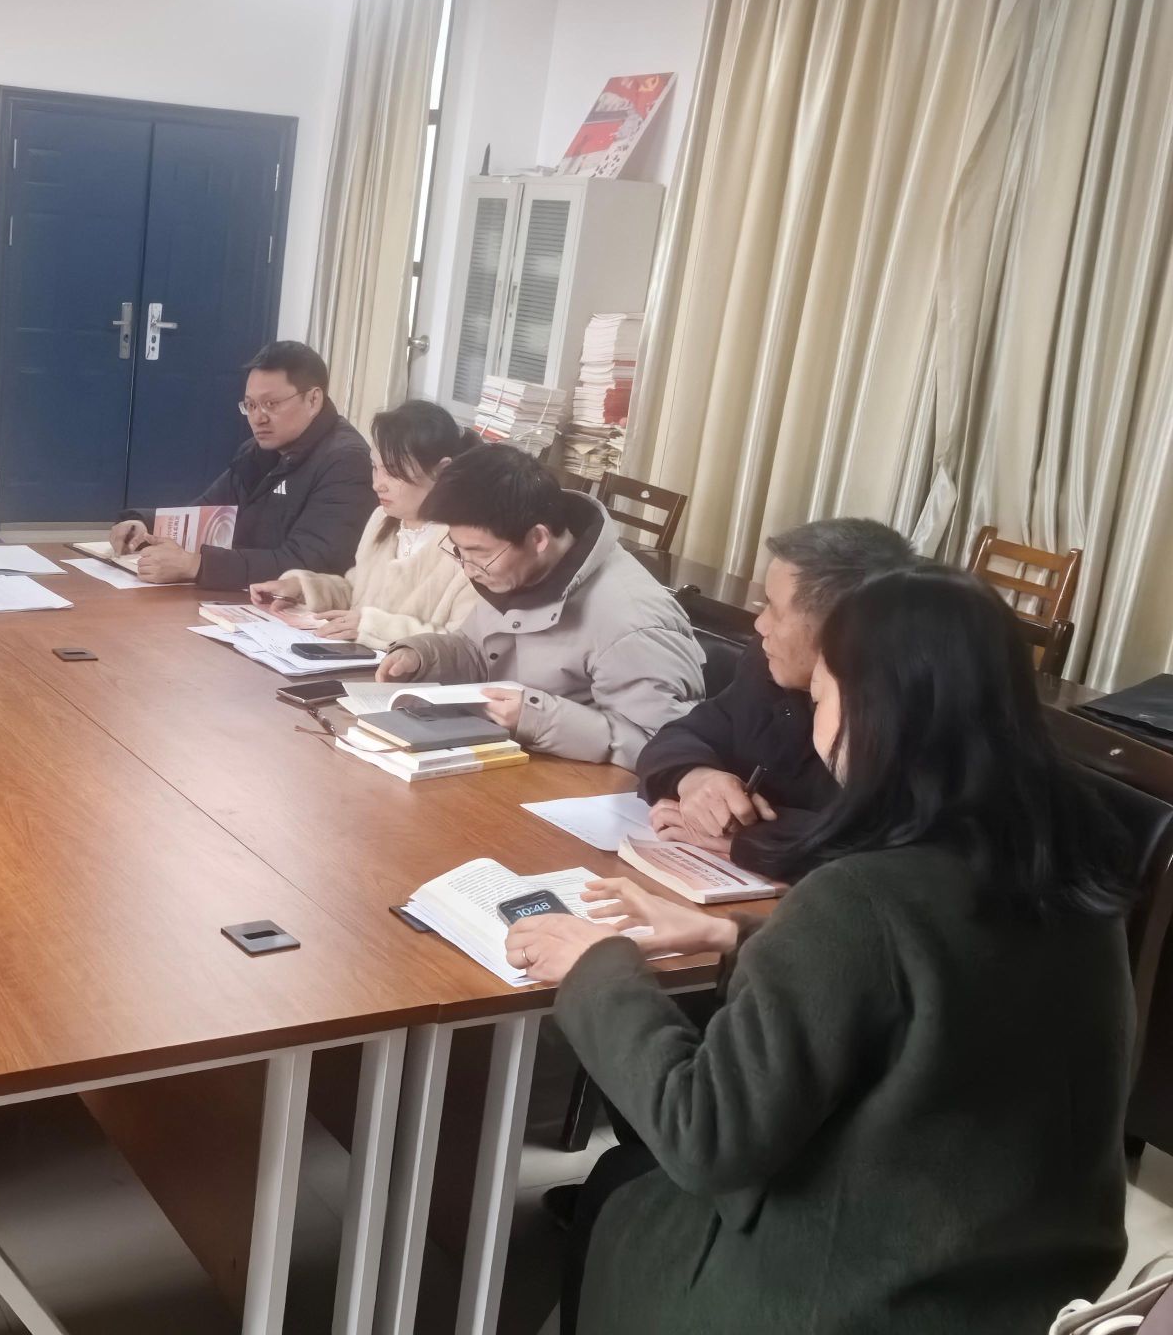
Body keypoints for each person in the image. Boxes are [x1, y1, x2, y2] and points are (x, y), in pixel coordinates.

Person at [506, 565, 1135, 1335]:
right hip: (1027, 1281)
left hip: (856, 1297)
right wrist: (732, 935)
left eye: (824, 693)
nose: (813, 713)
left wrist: (596, 966)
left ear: (873, 712)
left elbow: (706, 1135)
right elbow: (933, 982)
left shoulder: (860, 895)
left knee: (626, 1186)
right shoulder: (1070, 871)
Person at [378, 445, 701, 766]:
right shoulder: (514, 572)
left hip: (582, 787)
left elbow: (665, 746)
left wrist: (537, 718)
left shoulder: (632, 622)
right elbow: (482, 653)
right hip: (516, 763)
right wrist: (423, 656)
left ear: (538, 539)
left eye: (480, 553)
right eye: (459, 551)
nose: (468, 569)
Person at [637, 517, 915, 865]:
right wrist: (696, 778)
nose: (760, 624)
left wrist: (755, 838)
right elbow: (683, 734)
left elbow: (896, 852)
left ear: (839, 628)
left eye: (775, 609)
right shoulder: (767, 665)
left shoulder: (903, 714)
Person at [107, 341, 375, 589]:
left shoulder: (346, 462)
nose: (258, 418)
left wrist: (196, 566)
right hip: (241, 596)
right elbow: (206, 512)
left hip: (298, 613)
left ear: (313, 399)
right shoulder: (257, 450)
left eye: (271, 404)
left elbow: (309, 564)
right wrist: (143, 526)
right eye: (250, 405)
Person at [248, 399, 477, 648]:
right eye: (375, 468)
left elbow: (463, 648)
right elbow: (355, 594)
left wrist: (373, 627)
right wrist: (301, 589)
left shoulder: (470, 547)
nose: (378, 484)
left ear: (441, 470)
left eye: (393, 471)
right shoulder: (382, 521)